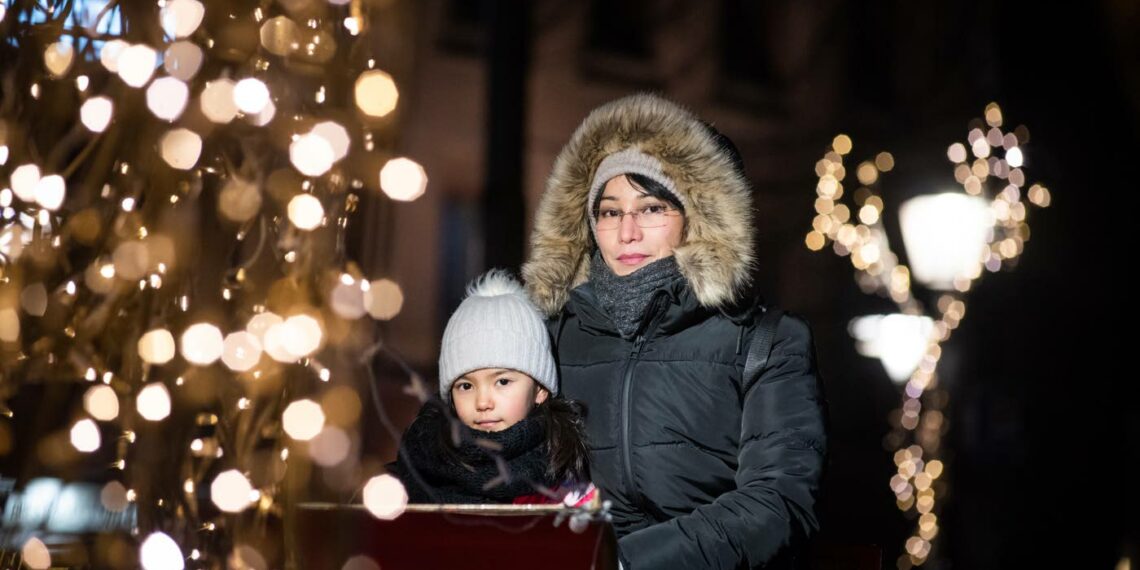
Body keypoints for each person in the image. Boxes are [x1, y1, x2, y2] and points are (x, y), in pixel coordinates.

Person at [522, 93, 827, 568]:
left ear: (697, 220)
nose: (626, 233)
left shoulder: (767, 342)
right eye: (608, 211)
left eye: (651, 209)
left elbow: (777, 502)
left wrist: (620, 562)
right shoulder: (553, 338)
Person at [388, 270, 595, 506]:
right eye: (466, 386)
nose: (483, 402)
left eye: (502, 382)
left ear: (540, 389)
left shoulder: (568, 491)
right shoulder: (415, 470)